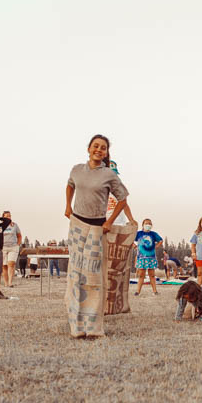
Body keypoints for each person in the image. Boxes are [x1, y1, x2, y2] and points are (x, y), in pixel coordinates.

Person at [64, 134, 132, 338]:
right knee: (75, 275)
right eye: (96, 146)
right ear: (89, 148)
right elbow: (70, 184)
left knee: (93, 276)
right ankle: (76, 325)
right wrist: (68, 205)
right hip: (77, 225)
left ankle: (93, 326)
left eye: (103, 148)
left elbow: (122, 198)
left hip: (97, 228)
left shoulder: (109, 174)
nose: (98, 150)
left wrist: (109, 222)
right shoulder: (77, 169)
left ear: (106, 153)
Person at [134, 218, 163, 295]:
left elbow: (160, 240)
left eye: (150, 224)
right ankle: (138, 291)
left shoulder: (153, 234)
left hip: (151, 257)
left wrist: (156, 246)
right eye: (146, 223)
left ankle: (155, 291)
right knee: (141, 275)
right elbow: (130, 239)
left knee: (152, 275)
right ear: (143, 225)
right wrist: (134, 246)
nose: (148, 225)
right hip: (141, 257)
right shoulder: (139, 233)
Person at [1, 210, 23, 287]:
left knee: (11, 264)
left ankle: (10, 282)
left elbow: (19, 235)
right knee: (4, 265)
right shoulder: (0, 226)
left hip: (13, 247)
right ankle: (6, 282)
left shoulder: (14, 225)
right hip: (3, 247)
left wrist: (18, 244)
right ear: (3, 217)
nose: (9, 217)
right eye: (7, 216)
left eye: (10, 216)